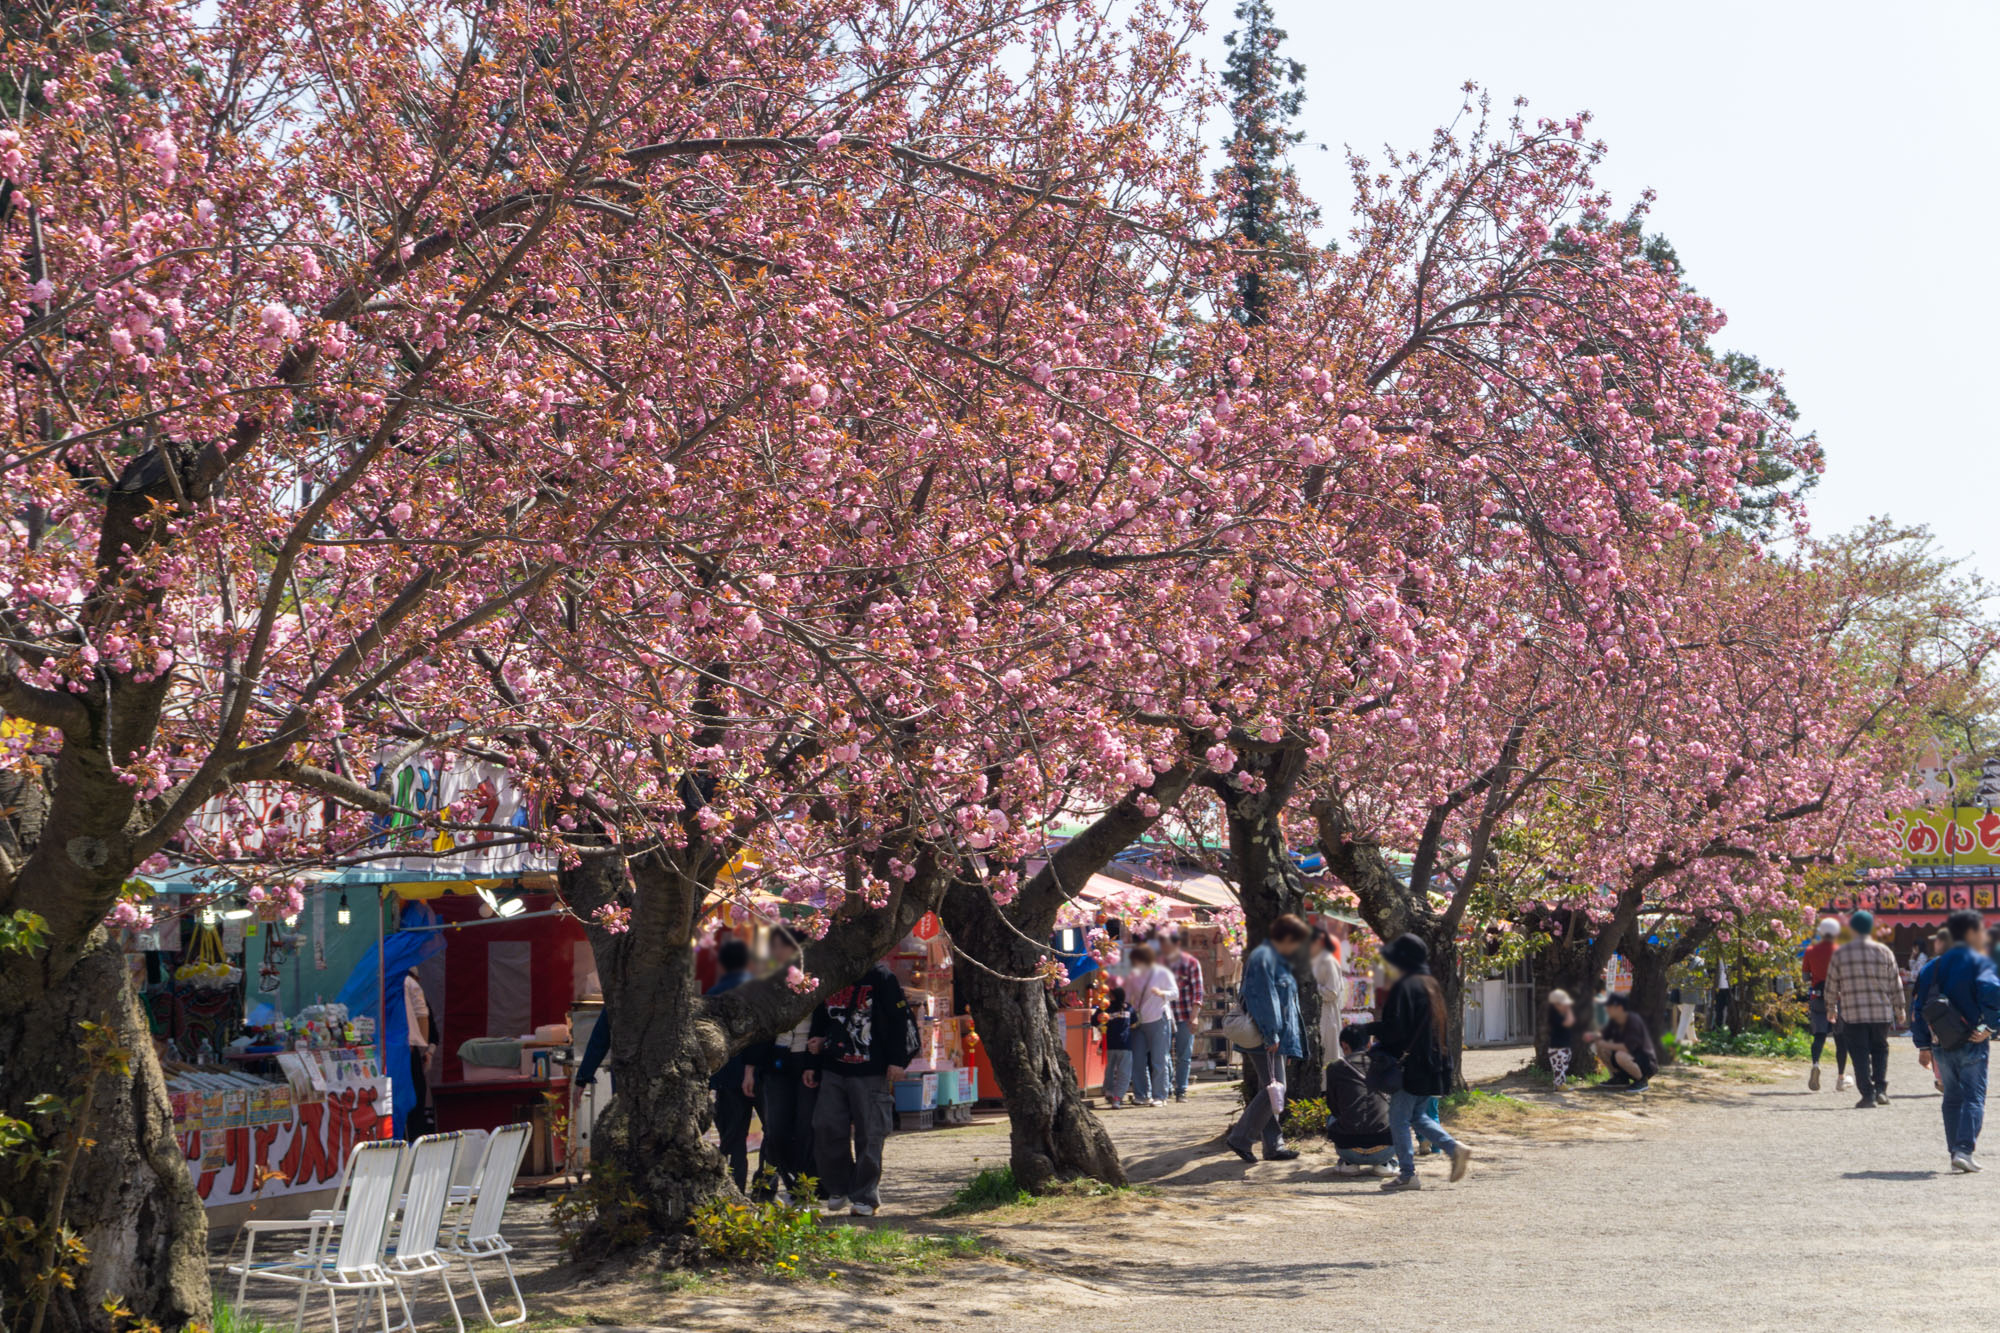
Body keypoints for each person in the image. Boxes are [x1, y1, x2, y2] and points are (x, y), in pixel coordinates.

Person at [1346, 933, 1468, 1190]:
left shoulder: (1405, 986)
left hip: (1410, 1067)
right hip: (1431, 1063)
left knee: (1400, 1118)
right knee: (1417, 1116)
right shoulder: (1430, 984)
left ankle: (1408, 1174)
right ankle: (1453, 1148)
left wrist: (1367, 1029)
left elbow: (1396, 1029)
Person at [807, 955, 918, 1216]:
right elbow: (821, 1016)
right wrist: (814, 1055)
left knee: (871, 1133)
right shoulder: (828, 973)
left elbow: (899, 1020)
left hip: (871, 1068)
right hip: (833, 1066)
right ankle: (839, 1186)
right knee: (825, 1127)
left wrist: (897, 1061)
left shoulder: (881, 976)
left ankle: (865, 1195)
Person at [1910, 909, 2000, 1172]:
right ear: (1972, 933)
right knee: (1974, 1097)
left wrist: (1923, 1044)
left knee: (1951, 1097)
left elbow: (1918, 1009)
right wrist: (1989, 1027)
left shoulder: (1931, 967)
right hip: (1972, 1039)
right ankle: (1963, 1150)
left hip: (1941, 1043)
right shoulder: (1980, 963)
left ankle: (1954, 1151)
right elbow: (1995, 996)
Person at [1224, 915, 1308, 1163]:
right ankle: (1242, 1137)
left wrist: (1289, 1044)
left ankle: (1273, 1145)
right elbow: (1263, 998)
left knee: (1270, 1088)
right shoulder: (1264, 958)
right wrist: (1271, 1033)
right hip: (1265, 1035)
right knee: (1275, 1087)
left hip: (1275, 1037)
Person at [752, 928, 816, 1201]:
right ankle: (769, 1187)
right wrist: (750, 1068)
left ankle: (801, 1189)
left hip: (806, 1060)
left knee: (803, 1129)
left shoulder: (816, 979)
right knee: (775, 1129)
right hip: (776, 1059)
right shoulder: (766, 983)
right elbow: (758, 1030)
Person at [1824, 909, 1904, 1108]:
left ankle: (1867, 1095)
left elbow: (1831, 983)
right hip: (1881, 1013)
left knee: (1859, 1053)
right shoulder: (1884, 951)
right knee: (1880, 1050)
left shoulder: (1841, 953)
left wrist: (1831, 1006)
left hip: (1853, 1013)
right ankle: (1881, 1090)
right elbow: (1896, 982)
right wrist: (1900, 1008)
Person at [706, 938, 755, 1191]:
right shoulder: (757, 992)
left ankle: (729, 1187)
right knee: (745, 1135)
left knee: (731, 1137)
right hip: (756, 1072)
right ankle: (749, 1186)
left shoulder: (714, 994)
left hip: (724, 1074)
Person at [1324, 1026, 1394, 1176]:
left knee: (1331, 1117)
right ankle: (1385, 1163)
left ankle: (1349, 1163)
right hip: (1385, 1149)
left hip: (1348, 1149)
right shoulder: (1384, 1063)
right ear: (1369, 1044)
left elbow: (1333, 1105)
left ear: (1344, 1045)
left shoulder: (1335, 1068)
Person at [1124, 944, 1178, 1108]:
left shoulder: (1162, 973)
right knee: (1138, 1060)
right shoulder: (1133, 976)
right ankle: (1141, 1094)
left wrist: (1163, 994)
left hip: (1158, 1017)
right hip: (1138, 1021)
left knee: (1158, 1059)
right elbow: (1127, 997)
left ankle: (1160, 1096)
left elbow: (1175, 993)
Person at [1802, 917, 1850, 1092]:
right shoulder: (1841, 951)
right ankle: (1840, 1078)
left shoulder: (1811, 950)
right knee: (1840, 1039)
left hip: (1817, 997)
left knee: (1819, 1036)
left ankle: (1815, 1064)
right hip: (1838, 999)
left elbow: (1806, 977)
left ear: (1821, 932)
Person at [1160, 931, 1205, 1102]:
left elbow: (1198, 992)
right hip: (1165, 1015)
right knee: (1163, 1053)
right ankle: (1168, 1086)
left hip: (1185, 1015)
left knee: (1183, 1054)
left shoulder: (1191, 963)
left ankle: (1181, 1089)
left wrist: (1194, 1016)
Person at [1592, 993, 1656, 1091]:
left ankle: (1642, 1080)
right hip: (1626, 1057)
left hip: (1643, 1062)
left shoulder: (1633, 1021)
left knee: (1619, 1055)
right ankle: (1620, 1078)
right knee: (1601, 1047)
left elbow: (1628, 1047)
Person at [1310, 927, 1349, 1064]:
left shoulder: (1328, 961)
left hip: (1327, 1015)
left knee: (1328, 1057)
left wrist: (1311, 988)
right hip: (1315, 1015)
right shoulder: (1312, 961)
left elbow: (1332, 992)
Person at [403, 970, 435, 1135]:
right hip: (410, 1047)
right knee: (416, 1097)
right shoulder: (409, 983)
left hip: (405, 1048)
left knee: (410, 1096)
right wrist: (424, 1050)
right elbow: (423, 1017)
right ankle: (415, 1138)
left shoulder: (395, 981)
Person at [1093, 986, 1134, 1108]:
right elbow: (1135, 1022)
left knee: (1109, 1070)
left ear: (1112, 996)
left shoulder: (1105, 1008)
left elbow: (1094, 1021)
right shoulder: (1129, 1008)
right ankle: (1117, 1098)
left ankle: (1108, 1091)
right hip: (1125, 1044)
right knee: (1124, 1073)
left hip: (1109, 1044)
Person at [1545, 989, 1577, 1088]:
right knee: (1559, 1067)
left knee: (1563, 1066)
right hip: (1558, 1048)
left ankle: (1561, 1084)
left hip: (1564, 1046)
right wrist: (1569, 1010)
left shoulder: (1559, 1015)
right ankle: (1559, 1084)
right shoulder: (1554, 1016)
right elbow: (1570, 1022)